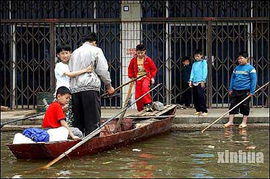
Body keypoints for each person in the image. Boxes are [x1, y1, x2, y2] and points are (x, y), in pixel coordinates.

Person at [69, 32, 115, 136]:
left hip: (75, 90)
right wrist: (108, 85)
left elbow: (71, 71)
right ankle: (92, 142)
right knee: (92, 122)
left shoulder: (75, 53)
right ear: (94, 42)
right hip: (89, 88)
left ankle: (77, 142)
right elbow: (102, 70)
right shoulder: (96, 50)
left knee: (78, 122)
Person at [54, 45, 93, 124]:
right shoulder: (59, 65)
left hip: (70, 93)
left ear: (70, 53)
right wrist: (85, 70)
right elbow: (70, 74)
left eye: (67, 53)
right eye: (62, 53)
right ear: (58, 55)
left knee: (70, 116)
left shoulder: (71, 65)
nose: (65, 55)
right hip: (62, 94)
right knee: (63, 116)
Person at [224, 51, 257, 128]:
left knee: (245, 106)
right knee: (232, 105)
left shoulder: (251, 69)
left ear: (247, 58)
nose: (239, 60)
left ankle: (244, 122)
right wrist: (230, 88)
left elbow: (254, 80)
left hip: (245, 91)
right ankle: (230, 121)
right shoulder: (236, 68)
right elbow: (233, 78)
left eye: (241, 58)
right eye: (238, 59)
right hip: (235, 90)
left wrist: (252, 91)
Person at [128, 44, 157, 112]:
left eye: (142, 53)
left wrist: (152, 77)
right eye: (138, 53)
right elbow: (130, 69)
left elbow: (154, 69)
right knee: (137, 96)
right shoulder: (134, 60)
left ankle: (148, 104)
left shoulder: (148, 59)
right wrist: (131, 76)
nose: (140, 54)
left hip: (146, 77)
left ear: (145, 51)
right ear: (136, 52)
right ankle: (140, 109)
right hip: (138, 79)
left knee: (144, 88)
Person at [189, 50, 208, 116]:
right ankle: (198, 109)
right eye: (195, 56)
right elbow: (192, 72)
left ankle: (204, 110)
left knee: (201, 96)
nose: (196, 57)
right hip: (194, 82)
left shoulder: (204, 62)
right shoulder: (194, 64)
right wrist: (190, 80)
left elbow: (205, 71)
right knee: (195, 96)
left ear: (201, 56)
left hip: (200, 81)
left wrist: (203, 80)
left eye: (198, 56)